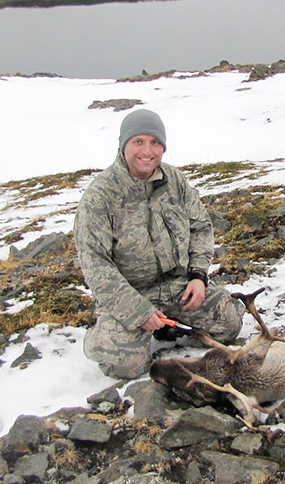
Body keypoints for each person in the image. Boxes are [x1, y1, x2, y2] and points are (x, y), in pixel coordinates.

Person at [74, 108, 243, 378]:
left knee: (229, 323)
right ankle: (101, 334)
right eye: (137, 142)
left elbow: (200, 226)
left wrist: (198, 276)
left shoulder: (174, 180)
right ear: (123, 146)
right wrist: (138, 311)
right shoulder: (100, 196)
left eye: (155, 142)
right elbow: (95, 264)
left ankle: (167, 323)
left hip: (176, 287)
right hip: (130, 295)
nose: (147, 151)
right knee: (124, 365)